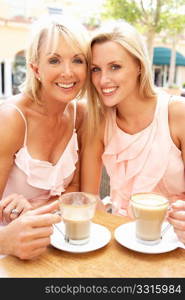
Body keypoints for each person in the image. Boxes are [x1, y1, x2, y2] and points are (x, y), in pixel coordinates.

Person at [80, 20, 185, 243]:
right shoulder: (98, 121)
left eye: (115, 67)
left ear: (139, 66)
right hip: (121, 238)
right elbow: (89, 198)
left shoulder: (177, 114)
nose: (103, 80)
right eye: (96, 69)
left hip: (176, 240)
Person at [0, 15, 89, 224]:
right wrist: (13, 212)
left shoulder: (80, 115)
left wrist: (37, 208)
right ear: (36, 69)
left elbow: (75, 187)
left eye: (77, 60)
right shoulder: (12, 119)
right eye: (54, 60)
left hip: (58, 234)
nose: (68, 72)